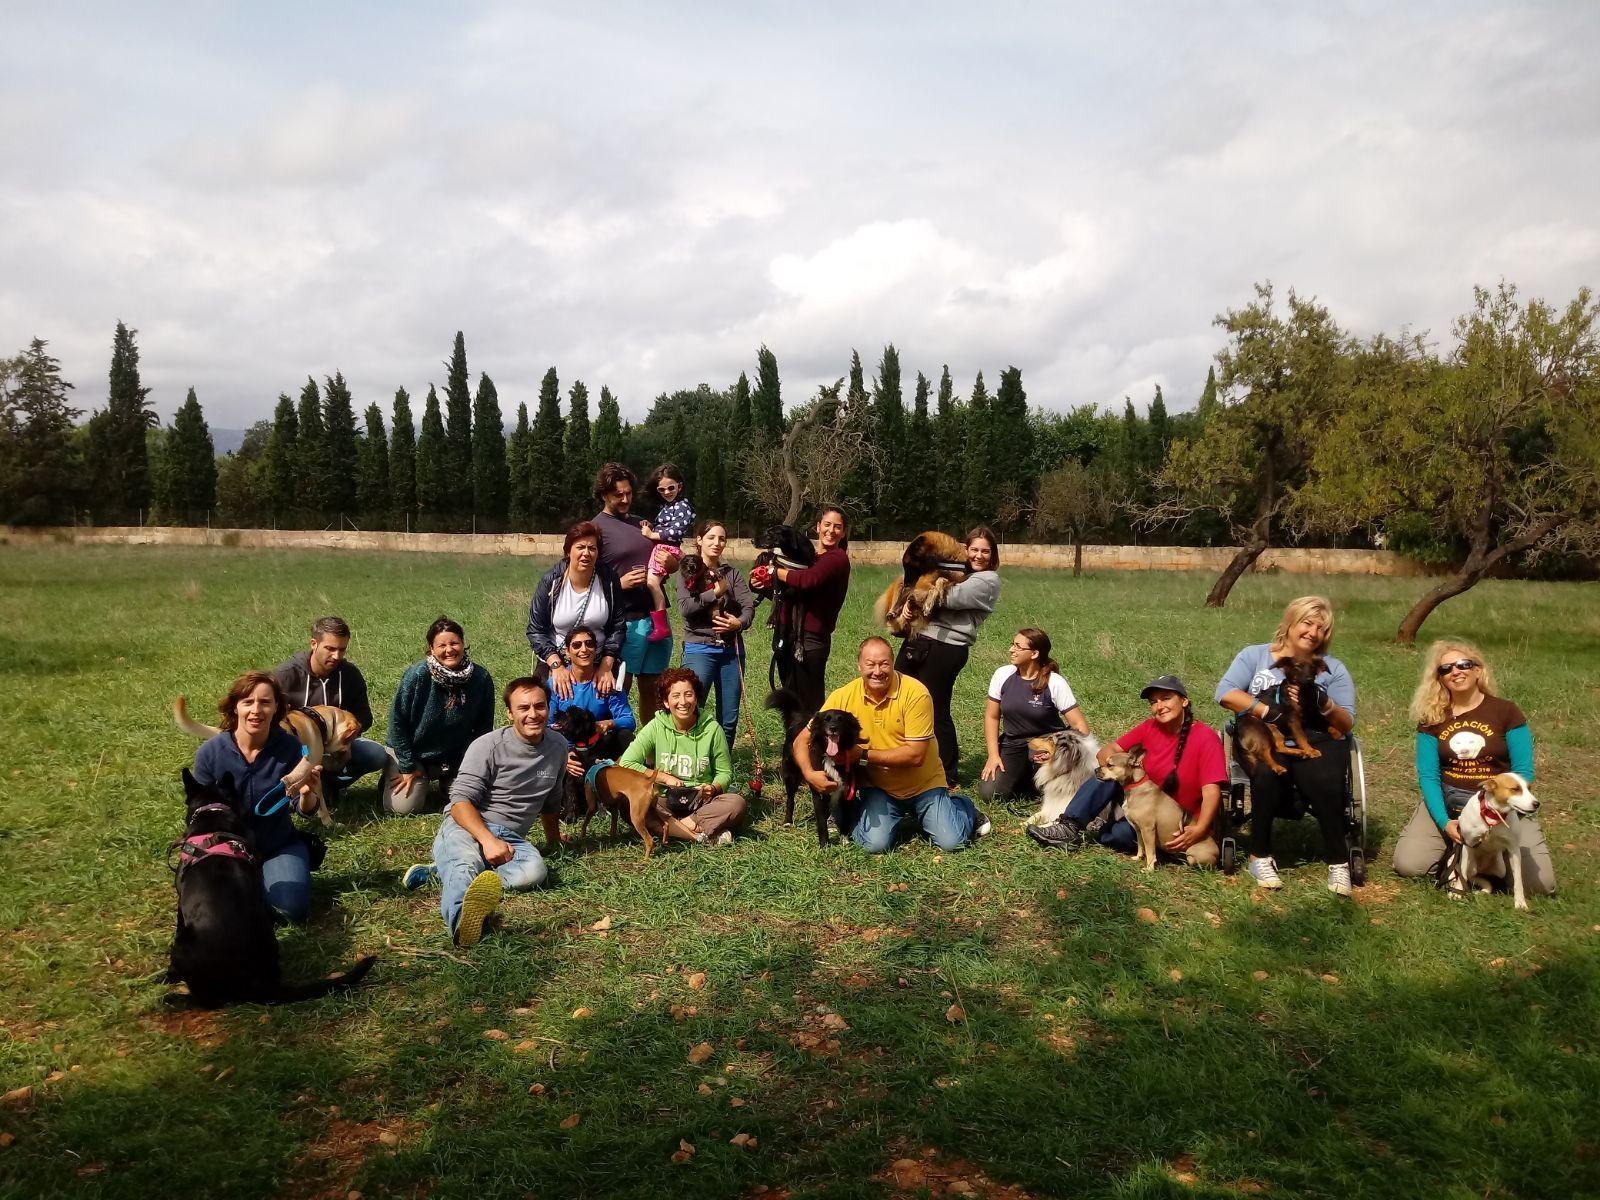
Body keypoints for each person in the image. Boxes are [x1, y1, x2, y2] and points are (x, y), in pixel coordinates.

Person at [401, 677, 576, 947]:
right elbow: (460, 802)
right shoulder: (487, 746)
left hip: (511, 838)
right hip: (469, 825)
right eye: (523, 708)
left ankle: (443, 872)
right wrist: (487, 839)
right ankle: (463, 925)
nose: (533, 714)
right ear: (510, 713)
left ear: (548, 708)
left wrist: (553, 840)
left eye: (540, 706)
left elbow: (552, 799)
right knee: (464, 864)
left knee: (535, 871)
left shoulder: (558, 746)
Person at [1214, 595, 1357, 895]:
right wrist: (1268, 711)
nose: (1313, 632)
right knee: (1267, 773)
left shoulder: (1332, 668)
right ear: (1290, 623)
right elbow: (1225, 693)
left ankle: (1338, 861)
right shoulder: (1255, 656)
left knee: (1323, 778)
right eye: (1307, 623)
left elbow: (1346, 723)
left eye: (1321, 628)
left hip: (1314, 737)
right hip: (1262, 732)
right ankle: (1259, 856)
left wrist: (1324, 702)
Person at [1392, 639, 1555, 895]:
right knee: (1410, 864)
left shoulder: (1506, 712)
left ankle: (1487, 858)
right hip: (1450, 800)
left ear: (1478, 670)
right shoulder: (1432, 718)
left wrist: (1497, 817)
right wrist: (1445, 822)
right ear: (1440, 679)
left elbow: (1523, 771)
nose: (1455, 671)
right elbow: (1429, 775)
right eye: (1446, 669)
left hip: (1502, 804)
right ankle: (1457, 849)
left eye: (1463, 664)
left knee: (1541, 886)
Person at [801, 636, 988, 854]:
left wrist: (863, 755)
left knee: (952, 843)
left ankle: (964, 808)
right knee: (874, 844)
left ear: (893, 663)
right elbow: (801, 740)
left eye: (884, 664)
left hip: (923, 785)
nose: (877, 671)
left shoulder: (915, 693)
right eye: (870, 664)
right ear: (859, 665)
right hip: (878, 788)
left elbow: (916, 756)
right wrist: (809, 774)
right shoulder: (843, 696)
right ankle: (862, 814)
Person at [1026, 675, 1222, 867]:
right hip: (1140, 806)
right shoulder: (1149, 727)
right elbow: (1108, 751)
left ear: (1184, 701)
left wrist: (1200, 828)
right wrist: (1114, 767)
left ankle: (1164, 847)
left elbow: (1212, 791)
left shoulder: (1206, 738)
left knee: (1116, 834)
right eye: (1153, 702)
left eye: (1166, 698)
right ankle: (1068, 826)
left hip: (1178, 822)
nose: (1159, 706)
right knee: (1105, 778)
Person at [189, 671, 323, 922]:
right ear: (235, 707)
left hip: (277, 845)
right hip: (225, 848)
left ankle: (284, 867)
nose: (256, 710)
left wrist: (307, 795)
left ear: (276, 708)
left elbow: (305, 809)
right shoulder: (210, 754)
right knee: (217, 910)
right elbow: (199, 814)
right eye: (248, 702)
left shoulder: (291, 748)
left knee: (290, 910)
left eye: (265, 702)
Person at [894, 526, 1001, 788]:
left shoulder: (987, 581)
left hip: (946, 648)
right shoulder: (957, 573)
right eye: (973, 549)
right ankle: (904, 759)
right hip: (918, 639)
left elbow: (948, 597)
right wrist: (908, 607)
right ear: (964, 550)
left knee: (935, 708)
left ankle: (947, 773)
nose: (978, 556)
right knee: (898, 697)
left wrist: (914, 591)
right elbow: (919, 592)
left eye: (985, 551)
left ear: (993, 555)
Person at [617, 667, 748, 845]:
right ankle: (700, 836)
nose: (683, 702)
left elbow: (724, 772)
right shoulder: (656, 726)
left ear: (696, 698)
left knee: (736, 803)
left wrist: (713, 787)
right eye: (676, 696)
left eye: (688, 695)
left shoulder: (712, 729)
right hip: (664, 799)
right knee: (627, 803)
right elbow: (626, 763)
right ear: (666, 702)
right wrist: (664, 777)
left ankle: (672, 828)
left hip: (701, 801)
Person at [272, 615, 393, 801]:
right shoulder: (286, 676)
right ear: (314, 644)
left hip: (334, 745)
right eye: (330, 649)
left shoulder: (350, 674)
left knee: (375, 754)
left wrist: (348, 735)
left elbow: (364, 716)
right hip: (298, 750)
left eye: (342, 650)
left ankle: (332, 783)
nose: (337, 656)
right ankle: (297, 787)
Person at [385, 616, 496, 815]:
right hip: (413, 752)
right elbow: (397, 721)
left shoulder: (481, 678)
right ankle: (395, 772)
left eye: (454, 643)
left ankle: (447, 781)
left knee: (478, 800)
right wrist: (407, 765)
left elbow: (483, 728)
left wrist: (471, 764)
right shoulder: (417, 676)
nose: (449, 650)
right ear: (431, 649)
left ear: (463, 643)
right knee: (404, 808)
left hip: (455, 757)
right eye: (442, 645)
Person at [591, 462, 672, 722]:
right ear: (604, 495)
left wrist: (671, 563)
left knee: (655, 690)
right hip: (624, 621)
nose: (626, 499)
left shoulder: (641, 524)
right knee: (619, 688)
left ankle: (651, 744)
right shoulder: (595, 529)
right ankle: (619, 743)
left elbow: (666, 560)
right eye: (619, 495)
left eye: (629, 493)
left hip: (656, 617)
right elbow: (585, 580)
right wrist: (619, 584)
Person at [978, 627, 1092, 805]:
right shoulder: (1002, 674)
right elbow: (992, 717)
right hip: (1013, 742)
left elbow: (1080, 725)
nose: (1011, 649)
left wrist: (1059, 754)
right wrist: (993, 755)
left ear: (1034, 654)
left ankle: (1035, 779)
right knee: (990, 794)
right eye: (1012, 644)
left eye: (1018, 646)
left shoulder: (1055, 682)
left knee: (1066, 792)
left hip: (1046, 743)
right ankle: (1026, 780)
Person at [527, 520, 627, 700]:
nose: (586, 553)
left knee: (603, 710)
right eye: (580, 547)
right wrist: (556, 666)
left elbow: (618, 626)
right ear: (568, 551)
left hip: (599, 661)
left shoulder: (609, 580)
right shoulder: (551, 581)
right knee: (546, 709)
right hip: (556, 659)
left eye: (592, 548)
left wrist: (606, 665)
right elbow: (535, 630)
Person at [676, 518, 756, 743]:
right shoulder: (687, 569)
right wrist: (716, 592)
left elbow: (748, 607)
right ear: (699, 540)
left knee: (729, 719)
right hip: (699, 648)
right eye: (711, 537)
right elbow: (686, 608)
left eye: (721, 539)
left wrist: (739, 623)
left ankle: (723, 761)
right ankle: (691, 758)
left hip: (731, 651)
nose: (717, 543)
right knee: (691, 709)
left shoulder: (732, 573)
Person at [769, 505, 851, 712]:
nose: (831, 531)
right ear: (818, 527)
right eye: (827, 524)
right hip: (787, 634)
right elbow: (787, 590)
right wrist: (761, 582)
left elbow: (807, 580)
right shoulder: (810, 558)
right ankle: (793, 734)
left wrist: (774, 572)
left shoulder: (837, 558)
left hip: (810, 641)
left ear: (844, 532)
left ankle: (813, 733)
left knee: (809, 704)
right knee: (790, 701)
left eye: (837, 527)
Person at [546, 625, 637, 749]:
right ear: (567, 651)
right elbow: (547, 725)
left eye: (589, 644)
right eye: (577, 645)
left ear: (595, 649)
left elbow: (629, 720)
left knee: (626, 736)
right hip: (564, 747)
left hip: (598, 744)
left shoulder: (607, 682)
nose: (584, 649)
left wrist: (609, 723)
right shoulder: (555, 684)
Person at [641, 463, 694, 644]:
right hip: (662, 547)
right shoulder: (666, 506)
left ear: (680, 486)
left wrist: (651, 535)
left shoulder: (683, 506)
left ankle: (661, 625)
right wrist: (651, 526)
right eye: (661, 489)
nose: (667, 492)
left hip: (666, 548)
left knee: (652, 583)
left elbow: (675, 532)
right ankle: (659, 624)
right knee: (653, 582)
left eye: (671, 488)